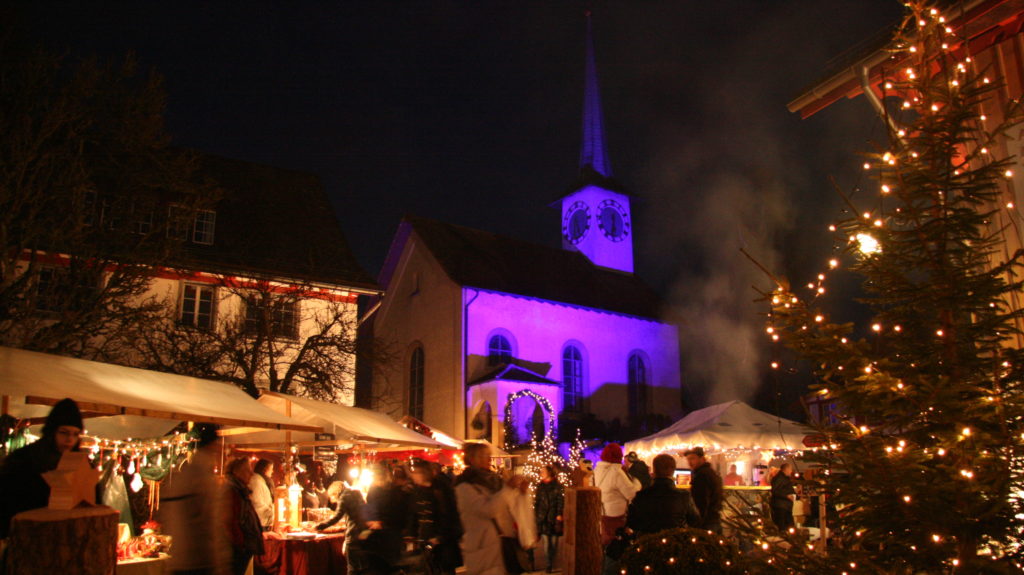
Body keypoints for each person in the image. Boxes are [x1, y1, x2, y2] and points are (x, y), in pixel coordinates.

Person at [0, 398, 84, 539]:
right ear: (52, 431)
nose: (70, 440)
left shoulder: (82, 464)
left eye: (75, 434)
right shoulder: (24, 459)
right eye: (64, 432)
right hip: (27, 538)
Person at [160, 423, 229, 575]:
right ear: (213, 445)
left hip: (179, 558)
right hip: (199, 560)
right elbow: (210, 522)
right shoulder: (202, 477)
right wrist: (220, 557)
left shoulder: (182, 475)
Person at [453, 442, 505, 575]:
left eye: (489, 455)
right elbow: (489, 510)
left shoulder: (492, 481)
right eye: (483, 456)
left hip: (494, 545)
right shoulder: (464, 486)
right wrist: (508, 489)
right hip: (480, 546)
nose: (488, 459)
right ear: (471, 459)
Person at [408, 459, 463, 575]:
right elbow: (414, 513)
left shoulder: (441, 489)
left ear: (424, 473)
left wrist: (440, 537)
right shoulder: (417, 491)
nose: (414, 476)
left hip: (443, 541)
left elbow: (448, 514)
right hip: (426, 538)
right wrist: (411, 533)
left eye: (417, 473)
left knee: (445, 569)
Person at [625, 454, 700, 535]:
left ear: (654, 470)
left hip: (647, 542)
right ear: (673, 471)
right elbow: (695, 519)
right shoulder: (683, 496)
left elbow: (632, 522)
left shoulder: (641, 496)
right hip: (675, 541)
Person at [318, 479, 373, 575]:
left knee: (352, 567)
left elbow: (337, 516)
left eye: (331, 497)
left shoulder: (344, 497)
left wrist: (320, 526)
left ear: (335, 493)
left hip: (353, 535)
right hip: (362, 534)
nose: (332, 500)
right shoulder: (357, 494)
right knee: (362, 567)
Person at [223, 457, 265, 575]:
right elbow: (230, 521)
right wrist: (241, 544)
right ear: (236, 472)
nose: (251, 473)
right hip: (236, 549)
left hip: (242, 547)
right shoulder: (232, 490)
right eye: (247, 470)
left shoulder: (241, 490)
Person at [593, 443, 640, 546]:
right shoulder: (616, 472)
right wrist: (636, 483)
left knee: (604, 541)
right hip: (615, 514)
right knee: (615, 543)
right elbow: (631, 493)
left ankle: (603, 560)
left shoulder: (597, 470)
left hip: (601, 511)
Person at [683, 447, 723, 533]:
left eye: (693, 458)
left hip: (706, 522)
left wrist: (697, 523)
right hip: (714, 519)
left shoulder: (702, 475)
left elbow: (701, 501)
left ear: (702, 459)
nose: (690, 462)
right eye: (688, 459)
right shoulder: (710, 472)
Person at [534, 465, 564, 573]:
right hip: (543, 518)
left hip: (553, 517)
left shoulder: (557, 486)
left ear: (549, 473)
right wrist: (537, 516)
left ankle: (551, 561)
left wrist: (559, 514)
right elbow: (537, 502)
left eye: (543, 471)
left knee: (554, 543)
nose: (541, 473)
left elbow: (560, 500)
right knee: (546, 544)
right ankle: (549, 564)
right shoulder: (540, 486)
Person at [770, 462, 797, 531]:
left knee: (788, 525)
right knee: (783, 526)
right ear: (786, 469)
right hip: (781, 506)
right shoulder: (779, 478)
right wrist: (786, 496)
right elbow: (775, 491)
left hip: (785, 506)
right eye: (790, 469)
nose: (791, 471)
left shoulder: (784, 478)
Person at [249, 458, 275, 531]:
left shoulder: (261, 481)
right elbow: (257, 504)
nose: (272, 472)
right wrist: (273, 512)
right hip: (260, 524)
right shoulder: (256, 482)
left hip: (262, 522)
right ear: (264, 469)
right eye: (271, 469)